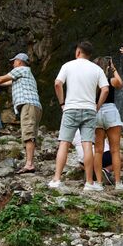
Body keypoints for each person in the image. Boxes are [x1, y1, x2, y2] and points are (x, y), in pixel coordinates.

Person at [50, 41, 109, 190]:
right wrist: (97, 106)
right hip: (89, 109)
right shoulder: (96, 69)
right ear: (90, 54)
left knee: (64, 143)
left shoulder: (68, 65)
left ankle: (57, 179)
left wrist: (62, 103)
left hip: (70, 108)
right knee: (87, 144)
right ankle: (89, 182)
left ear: (78, 52)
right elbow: (106, 89)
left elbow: (57, 84)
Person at [0, 53, 42, 174]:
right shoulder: (24, 74)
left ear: (19, 62)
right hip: (33, 106)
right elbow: (3, 83)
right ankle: (29, 162)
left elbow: (1, 79)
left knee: (28, 134)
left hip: (28, 105)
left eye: (14, 61)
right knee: (30, 134)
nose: (13, 64)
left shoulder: (21, 69)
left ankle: (29, 164)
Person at [93, 56, 123, 190]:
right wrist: (113, 69)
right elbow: (120, 83)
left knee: (98, 150)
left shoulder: (92, 83)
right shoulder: (110, 80)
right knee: (115, 150)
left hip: (96, 111)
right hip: (111, 112)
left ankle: (99, 183)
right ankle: (118, 183)